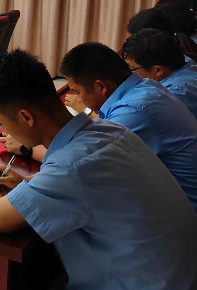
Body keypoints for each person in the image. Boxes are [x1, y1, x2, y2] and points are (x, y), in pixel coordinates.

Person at [0, 49, 197, 290]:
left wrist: (29, 191)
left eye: (2, 123)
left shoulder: (69, 167)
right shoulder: (110, 130)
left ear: (26, 117)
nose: (3, 129)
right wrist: (30, 184)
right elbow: (91, 189)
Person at [59, 41, 197, 210]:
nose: (79, 99)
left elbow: (83, 169)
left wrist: (31, 150)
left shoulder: (131, 112)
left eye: (78, 91)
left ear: (101, 86)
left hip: (185, 210)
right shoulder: (148, 86)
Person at [121, 28, 197, 119]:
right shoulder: (191, 67)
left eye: (132, 69)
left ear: (158, 70)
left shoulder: (170, 94)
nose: (130, 74)